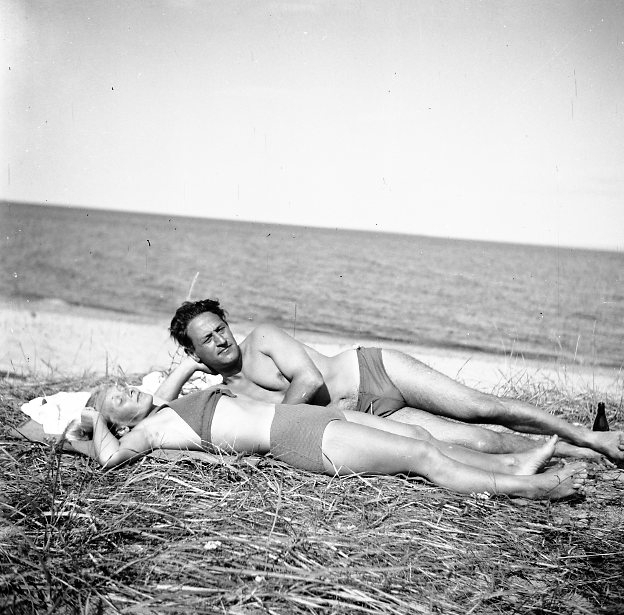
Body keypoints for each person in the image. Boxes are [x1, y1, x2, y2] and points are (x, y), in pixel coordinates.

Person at [167, 299, 624, 462]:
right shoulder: (222, 392)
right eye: (208, 339)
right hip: (370, 417)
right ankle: (584, 449)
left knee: (481, 407)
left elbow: (307, 379)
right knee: (480, 442)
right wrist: (185, 372)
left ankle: (588, 435)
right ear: (193, 351)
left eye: (221, 328)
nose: (222, 339)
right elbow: (156, 412)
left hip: (374, 371)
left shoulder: (263, 338)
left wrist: (278, 424)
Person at [71, 379, 588, 501]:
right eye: (117, 396)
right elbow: (108, 460)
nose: (128, 389)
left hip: (298, 418)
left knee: (416, 434)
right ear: (117, 421)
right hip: (291, 436)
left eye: (123, 384)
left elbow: (165, 386)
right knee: (419, 454)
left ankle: (515, 463)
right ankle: (528, 487)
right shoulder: (146, 431)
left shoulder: (163, 406)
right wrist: (92, 421)